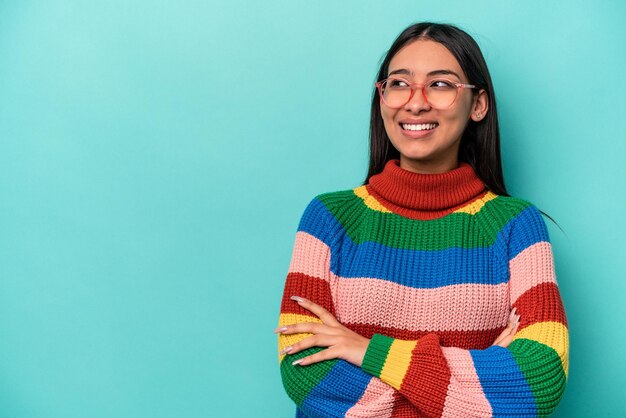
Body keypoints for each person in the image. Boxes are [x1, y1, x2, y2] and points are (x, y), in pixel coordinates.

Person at [274, 22, 569, 417]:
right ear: (381, 99)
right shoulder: (329, 219)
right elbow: (304, 375)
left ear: (478, 104)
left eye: (441, 85)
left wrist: (367, 351)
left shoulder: (516, 225)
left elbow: (540, 379)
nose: (415, 103)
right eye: (398, 84)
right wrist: (475, 390)